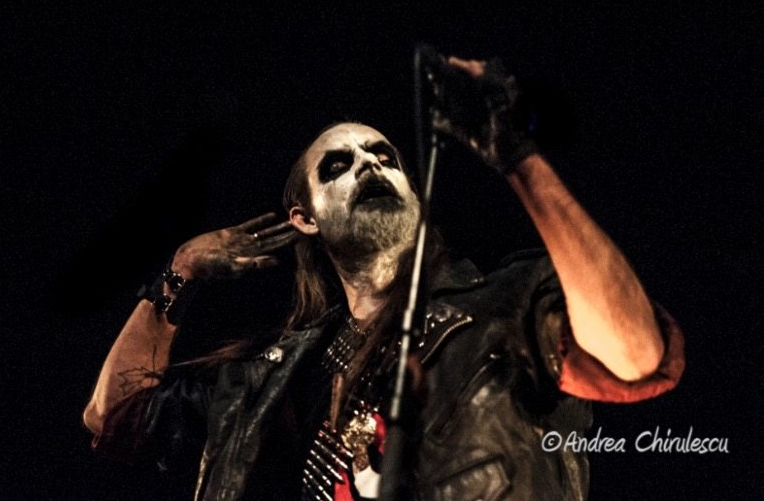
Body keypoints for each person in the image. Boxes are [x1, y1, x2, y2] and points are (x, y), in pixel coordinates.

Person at [83, 57, 684, 500]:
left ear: (416, 197)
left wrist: (518, 160)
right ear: (305, 218)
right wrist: (181, 271)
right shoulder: (275, 379)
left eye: (387, 158)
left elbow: (636, 354)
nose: (369, 164)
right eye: (339, 165)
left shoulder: (506, 304)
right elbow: (112, 416)